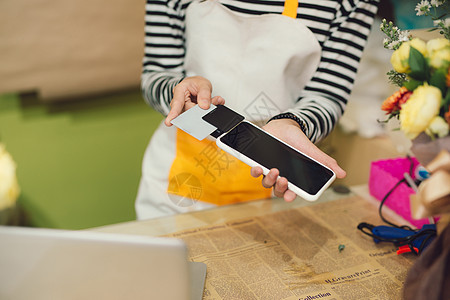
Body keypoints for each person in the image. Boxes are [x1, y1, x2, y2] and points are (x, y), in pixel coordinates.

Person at [136, 0, 380, 220]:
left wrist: (293, 123)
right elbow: (156, 74)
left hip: (273, 170)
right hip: (174, 179)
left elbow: (327, 95)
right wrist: (179, 93)